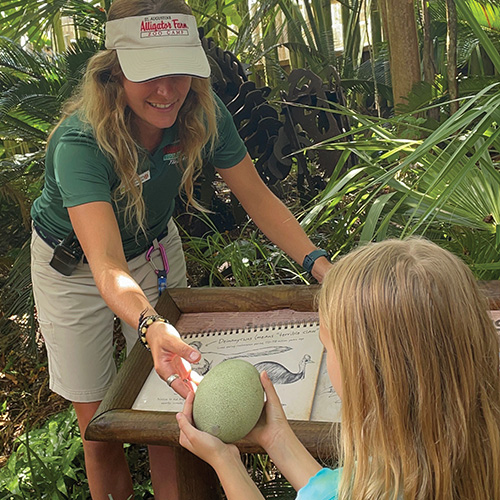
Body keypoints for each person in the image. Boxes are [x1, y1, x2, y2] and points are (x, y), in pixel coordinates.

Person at [29, 0, 332, 498]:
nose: (166, 90)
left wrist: (320, 265)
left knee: (171, 414)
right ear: (114, 72)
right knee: (99, 424)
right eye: (149, 73)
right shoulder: (80, 142)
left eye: (180, 70)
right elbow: (105, 263)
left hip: (152, 251)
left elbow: (257, 197)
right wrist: (149, 324)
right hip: (75, 269)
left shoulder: (202, 114)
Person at [177, 238, 500, 499]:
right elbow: (332, 489)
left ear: (365, 373)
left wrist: (226, 462)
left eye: (327, 346)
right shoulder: (462, 455)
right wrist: (276, 438)